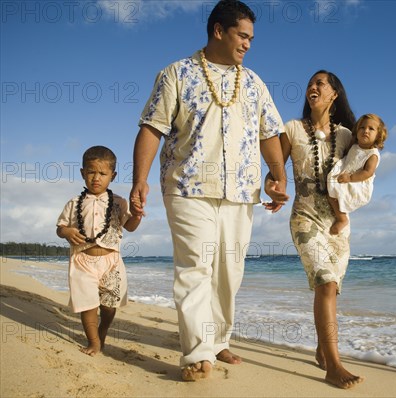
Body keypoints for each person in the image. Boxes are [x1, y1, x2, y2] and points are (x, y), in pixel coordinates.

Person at [129, 0, 288, 382]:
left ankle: (218, 340)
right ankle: (197, 352)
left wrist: (278, 176)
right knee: (195, 267)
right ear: (219, 30)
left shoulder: (253, 83)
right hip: (187, 186)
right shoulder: (177, 74)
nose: (248, 44)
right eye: (242, 35)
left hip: (240, 192)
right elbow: (152, 128)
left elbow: (272, 133)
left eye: (251, 37)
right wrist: (140, 179)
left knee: (229, 273)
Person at [265, 70, 363, 389]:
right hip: (305, 217)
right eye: (310, 83)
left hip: (336, 223)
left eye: (320, 83)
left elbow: (367, 166)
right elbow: (275, 167)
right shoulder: (292, 129)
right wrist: (274, 188)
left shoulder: (348, 136)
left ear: (334, 94)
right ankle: (334, 365)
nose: (313, 86)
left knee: (332, 289)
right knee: (325, 282)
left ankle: (323, 348)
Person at [56, 146, 142, 356]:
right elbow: (60, 228)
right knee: (88, 306)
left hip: (111, 262)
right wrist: (67, 231)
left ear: (112, 176)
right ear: (83, 173)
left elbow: (129, 226)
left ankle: (102, 330)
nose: (96, 178)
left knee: (109, 306)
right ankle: (93, 342)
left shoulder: (119, 203)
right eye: (91, 172)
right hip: (82, 261)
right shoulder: (74, 203)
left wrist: (137, 215)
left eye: (102, 173)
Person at [326, 113, 387, 235]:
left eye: (371, 129)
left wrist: (350, 177)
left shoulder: (373, 154)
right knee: (331, 191)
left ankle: (342, 219)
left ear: (378, 135)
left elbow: (368, 172)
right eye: (362, 127)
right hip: (347, 172)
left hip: (358, 181)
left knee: (336, 194)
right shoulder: (354, 145)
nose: (366, 131)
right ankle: (340, 215)